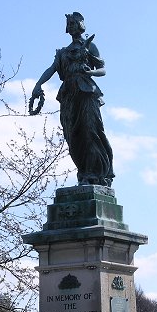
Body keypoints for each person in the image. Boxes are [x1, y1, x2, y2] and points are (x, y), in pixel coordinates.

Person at [30, 12, 114, 186]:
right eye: (69, 23)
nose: (71, 26)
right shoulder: (63, 52)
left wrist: (90, 72)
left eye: (74, 23)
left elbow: (102, 69)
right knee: (73, 135)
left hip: (86, 92)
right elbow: (52, 69)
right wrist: (38, 85)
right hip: (69, 94)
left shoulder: (90, 46)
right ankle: (83, 172)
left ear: (81, 25)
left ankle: (94, 174)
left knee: (90, 131)